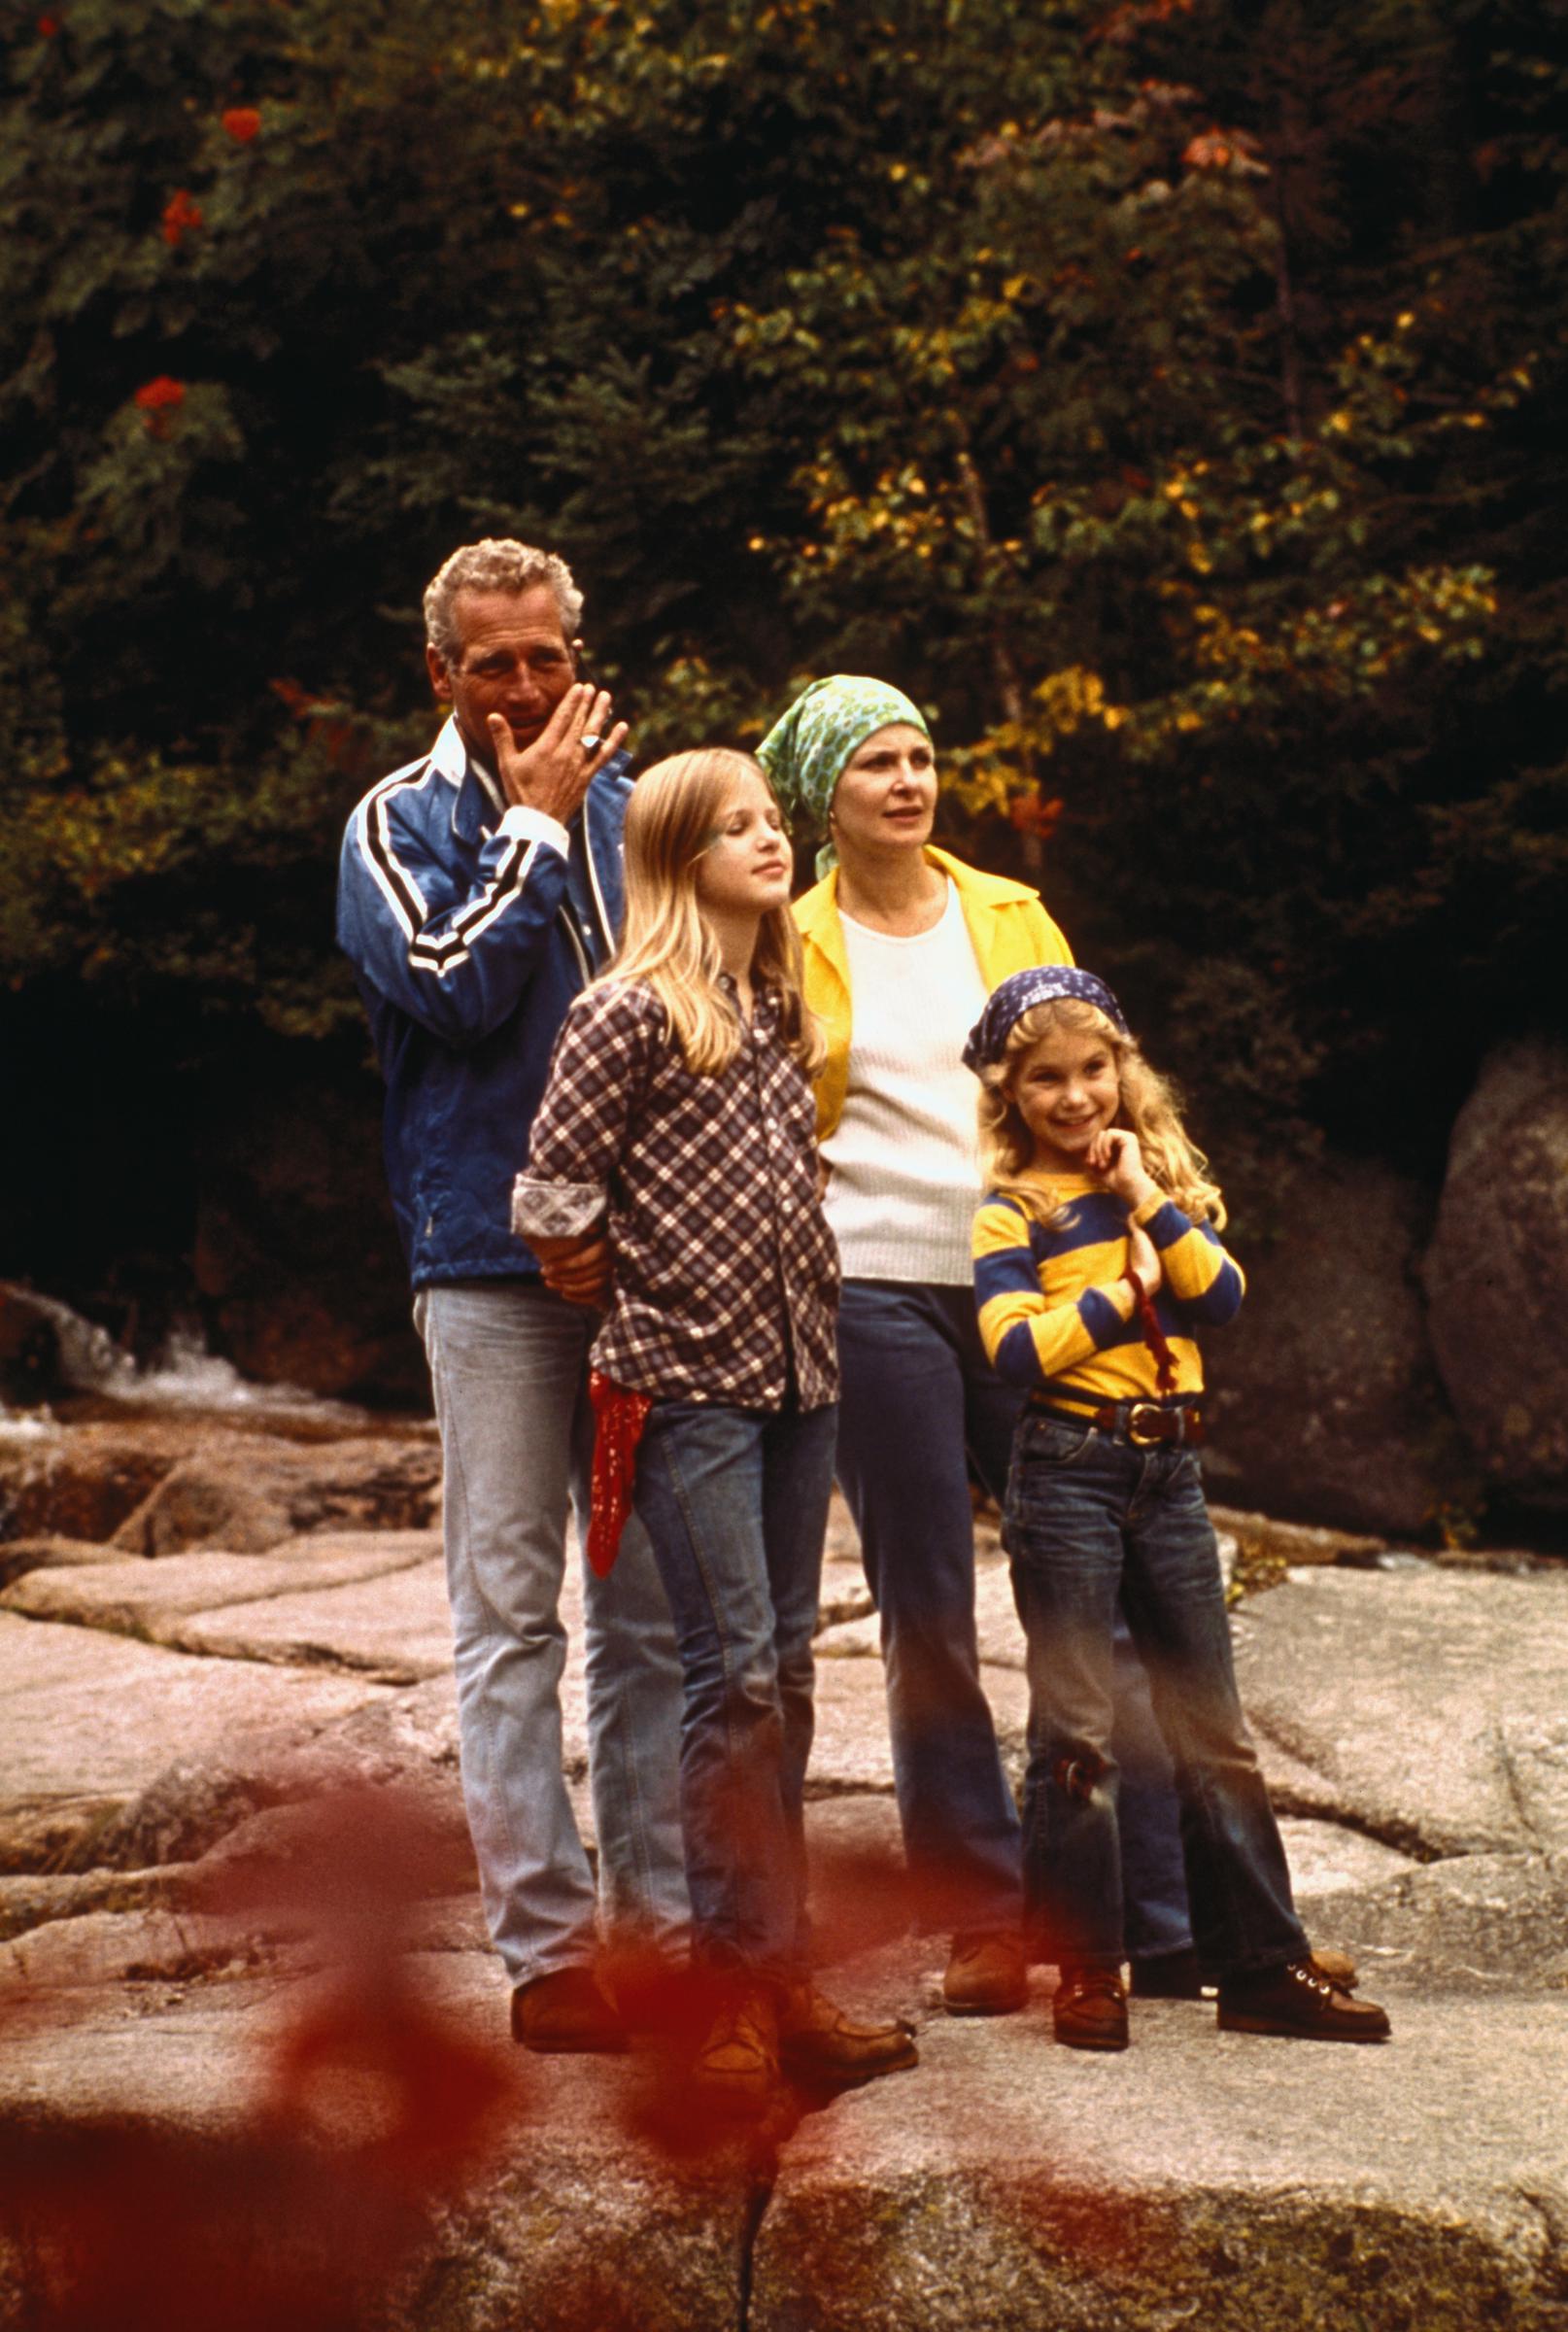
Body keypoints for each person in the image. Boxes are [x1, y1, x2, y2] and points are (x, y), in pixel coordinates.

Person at [757, 675, 1198, 2017]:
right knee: (928, 1615)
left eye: (921, 756)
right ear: (824, 796)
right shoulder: (785, 931)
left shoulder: (1009, 913)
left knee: (1095, 1595)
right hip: (872, 1288)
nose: (908, 782)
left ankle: (1139, 1916)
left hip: (1033, 1281)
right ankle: (978, 1916)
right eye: (877, 764)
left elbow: (1089, 1077)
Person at [512, 747, 917, 2111]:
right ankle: (727, 1997)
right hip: (682, 1382)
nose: (768, 841)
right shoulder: (626, 1010)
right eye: (734, 827)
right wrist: (615, 1285)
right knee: (729, 1678)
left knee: (788, 1678)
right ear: (678, 859)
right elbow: (551, 1192)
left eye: (769, 821)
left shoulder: (776, 998)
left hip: (803, 1375)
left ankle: (780, 1975)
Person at [336, 538, 687, 2051]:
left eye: (547, 657)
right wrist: (535, 830)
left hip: (642, 1273)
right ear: (442, 673)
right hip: (483, 1269)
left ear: (576, 655)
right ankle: (548, 1960)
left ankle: (662, 1941)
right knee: (504, 1616)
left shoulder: (635, 810)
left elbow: (690, 1017)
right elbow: (455, 988)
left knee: (649, 1614)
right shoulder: (394, 822)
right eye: (495, 663)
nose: (527, 687)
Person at [968, 965, 1390, 2050]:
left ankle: (1258, 1964)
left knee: (1215, 1728)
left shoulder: (1151, 1186)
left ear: (1124, 1072)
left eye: (1094, 1071)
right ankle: (1087, 1967)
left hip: (1171, 1478)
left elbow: (1225, 1294)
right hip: (1066, 1469)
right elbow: (1015, 1349)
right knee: (1078, 1729)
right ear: (1012, 1095)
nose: (1075, 1098)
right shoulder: (1012, 1211)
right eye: (1047, 1080)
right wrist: (1124, 1292)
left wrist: (1146, 1202)